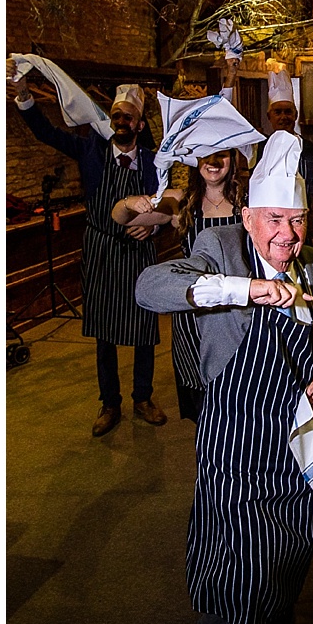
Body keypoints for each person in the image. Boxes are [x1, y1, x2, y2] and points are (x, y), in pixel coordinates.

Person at [135, 129, 313, 624]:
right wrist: (246, 289)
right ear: (249, 214)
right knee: (233, 547)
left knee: (291, 544)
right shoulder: (220, 247)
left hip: (297, 440)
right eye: (275, 221)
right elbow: (151, 287)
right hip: (234, 433)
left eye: (298, 221)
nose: (288, 236)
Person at [14, 77, 170, 434]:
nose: (122, 122)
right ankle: (109, 403)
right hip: (100, 248)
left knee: (144, 326)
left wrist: (155, 227)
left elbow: (166, 205)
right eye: (117, 116)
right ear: (109, 120)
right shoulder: (90, 152)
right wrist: (24, 95)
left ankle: (142, 397)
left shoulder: (152, 161)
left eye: (129, 117)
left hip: (139, 251)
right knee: (105, 331)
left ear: (140, 124)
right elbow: (46, 133)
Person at [115, 148, 249, 423]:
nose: (212, 162)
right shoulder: (181, 201)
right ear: (194, 160)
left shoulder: (247, 199)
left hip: (238, 310)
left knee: (241, 391)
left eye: (221, 155)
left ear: (232, 159)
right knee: (203, 403)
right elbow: (120, 218)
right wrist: (130, 203)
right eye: (205, 155)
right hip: (193, 315)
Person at [262, 66, 313, 250]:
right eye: (278, 112)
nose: (283, 117)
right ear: (269, 116)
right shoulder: (257, 150)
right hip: (265, 241)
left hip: (302, 239)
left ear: (295, 115)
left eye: (288, 112)